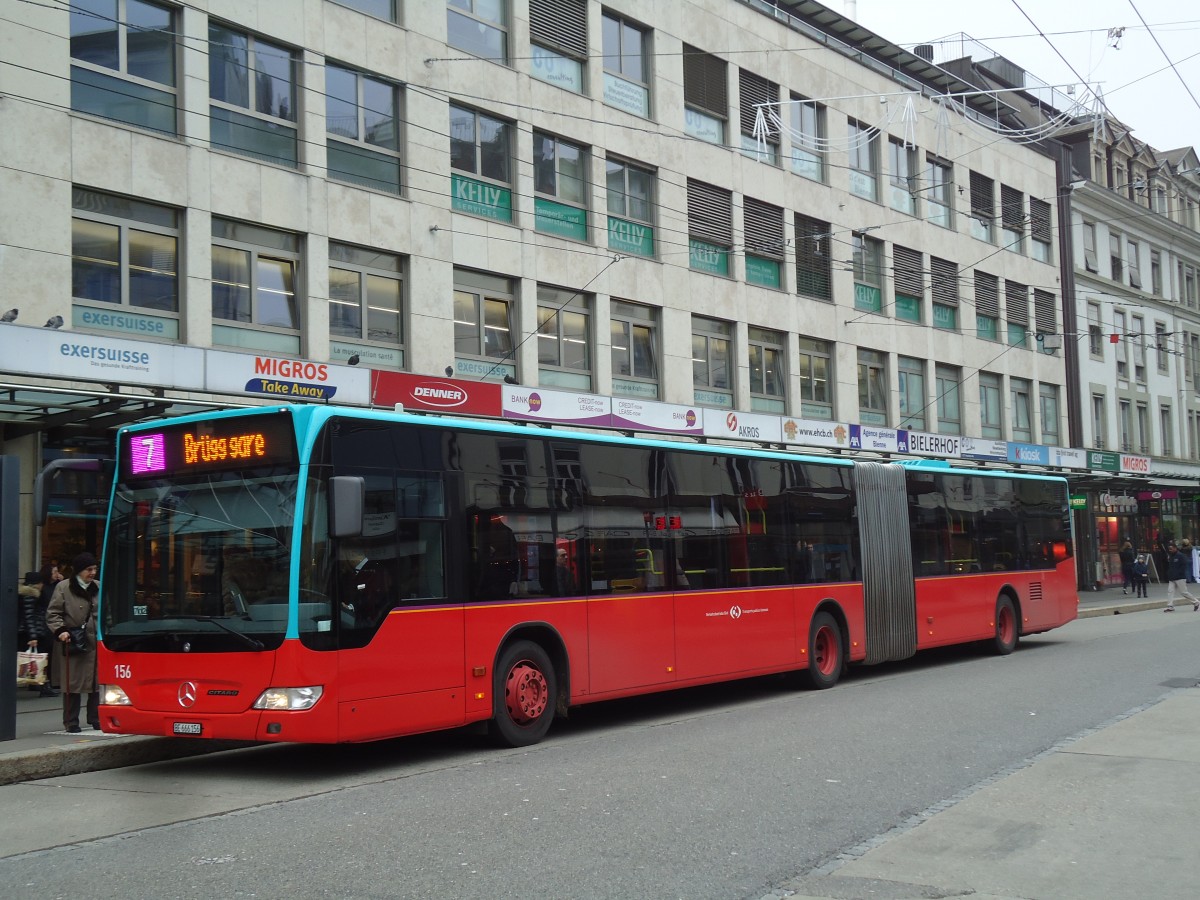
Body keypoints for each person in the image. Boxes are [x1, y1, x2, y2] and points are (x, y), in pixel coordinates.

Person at [46, 551, 101, 733]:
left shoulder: (99, 586)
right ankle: (71, 721)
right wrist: (61, 630)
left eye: (94, 569)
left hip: (95, 641)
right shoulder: (63, 587)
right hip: (73, 640)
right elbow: (53, 613)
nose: (92, 573)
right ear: (78, 570)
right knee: (73, 683)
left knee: (96, 682)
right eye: (88, 569)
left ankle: (96, 718)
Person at [18, 571, 58, 696]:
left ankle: (38, 684)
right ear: (36, 583)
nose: (42, 585)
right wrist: (33, 636)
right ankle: (43, 686)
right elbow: (29, 616)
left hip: (33, 631)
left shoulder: (29, 594)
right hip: (34, 632)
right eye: (41, 583)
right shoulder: (30, 595)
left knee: (38, 659)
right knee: (41, 660)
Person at [1162, 541, 1199, 613]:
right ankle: (1170, 606)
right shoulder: (1171, 556)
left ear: (1175, 548)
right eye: (1169, 549)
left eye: (1171, 549)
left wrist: (1179, 574)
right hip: (1172, 577)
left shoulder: (1181, 556)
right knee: (1170, 591)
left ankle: (1196, 602)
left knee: (1184, 592)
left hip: (1180, 577)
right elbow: (1170, 567)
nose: (1170, 550)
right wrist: (1169, 574)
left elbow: (1184, 566)